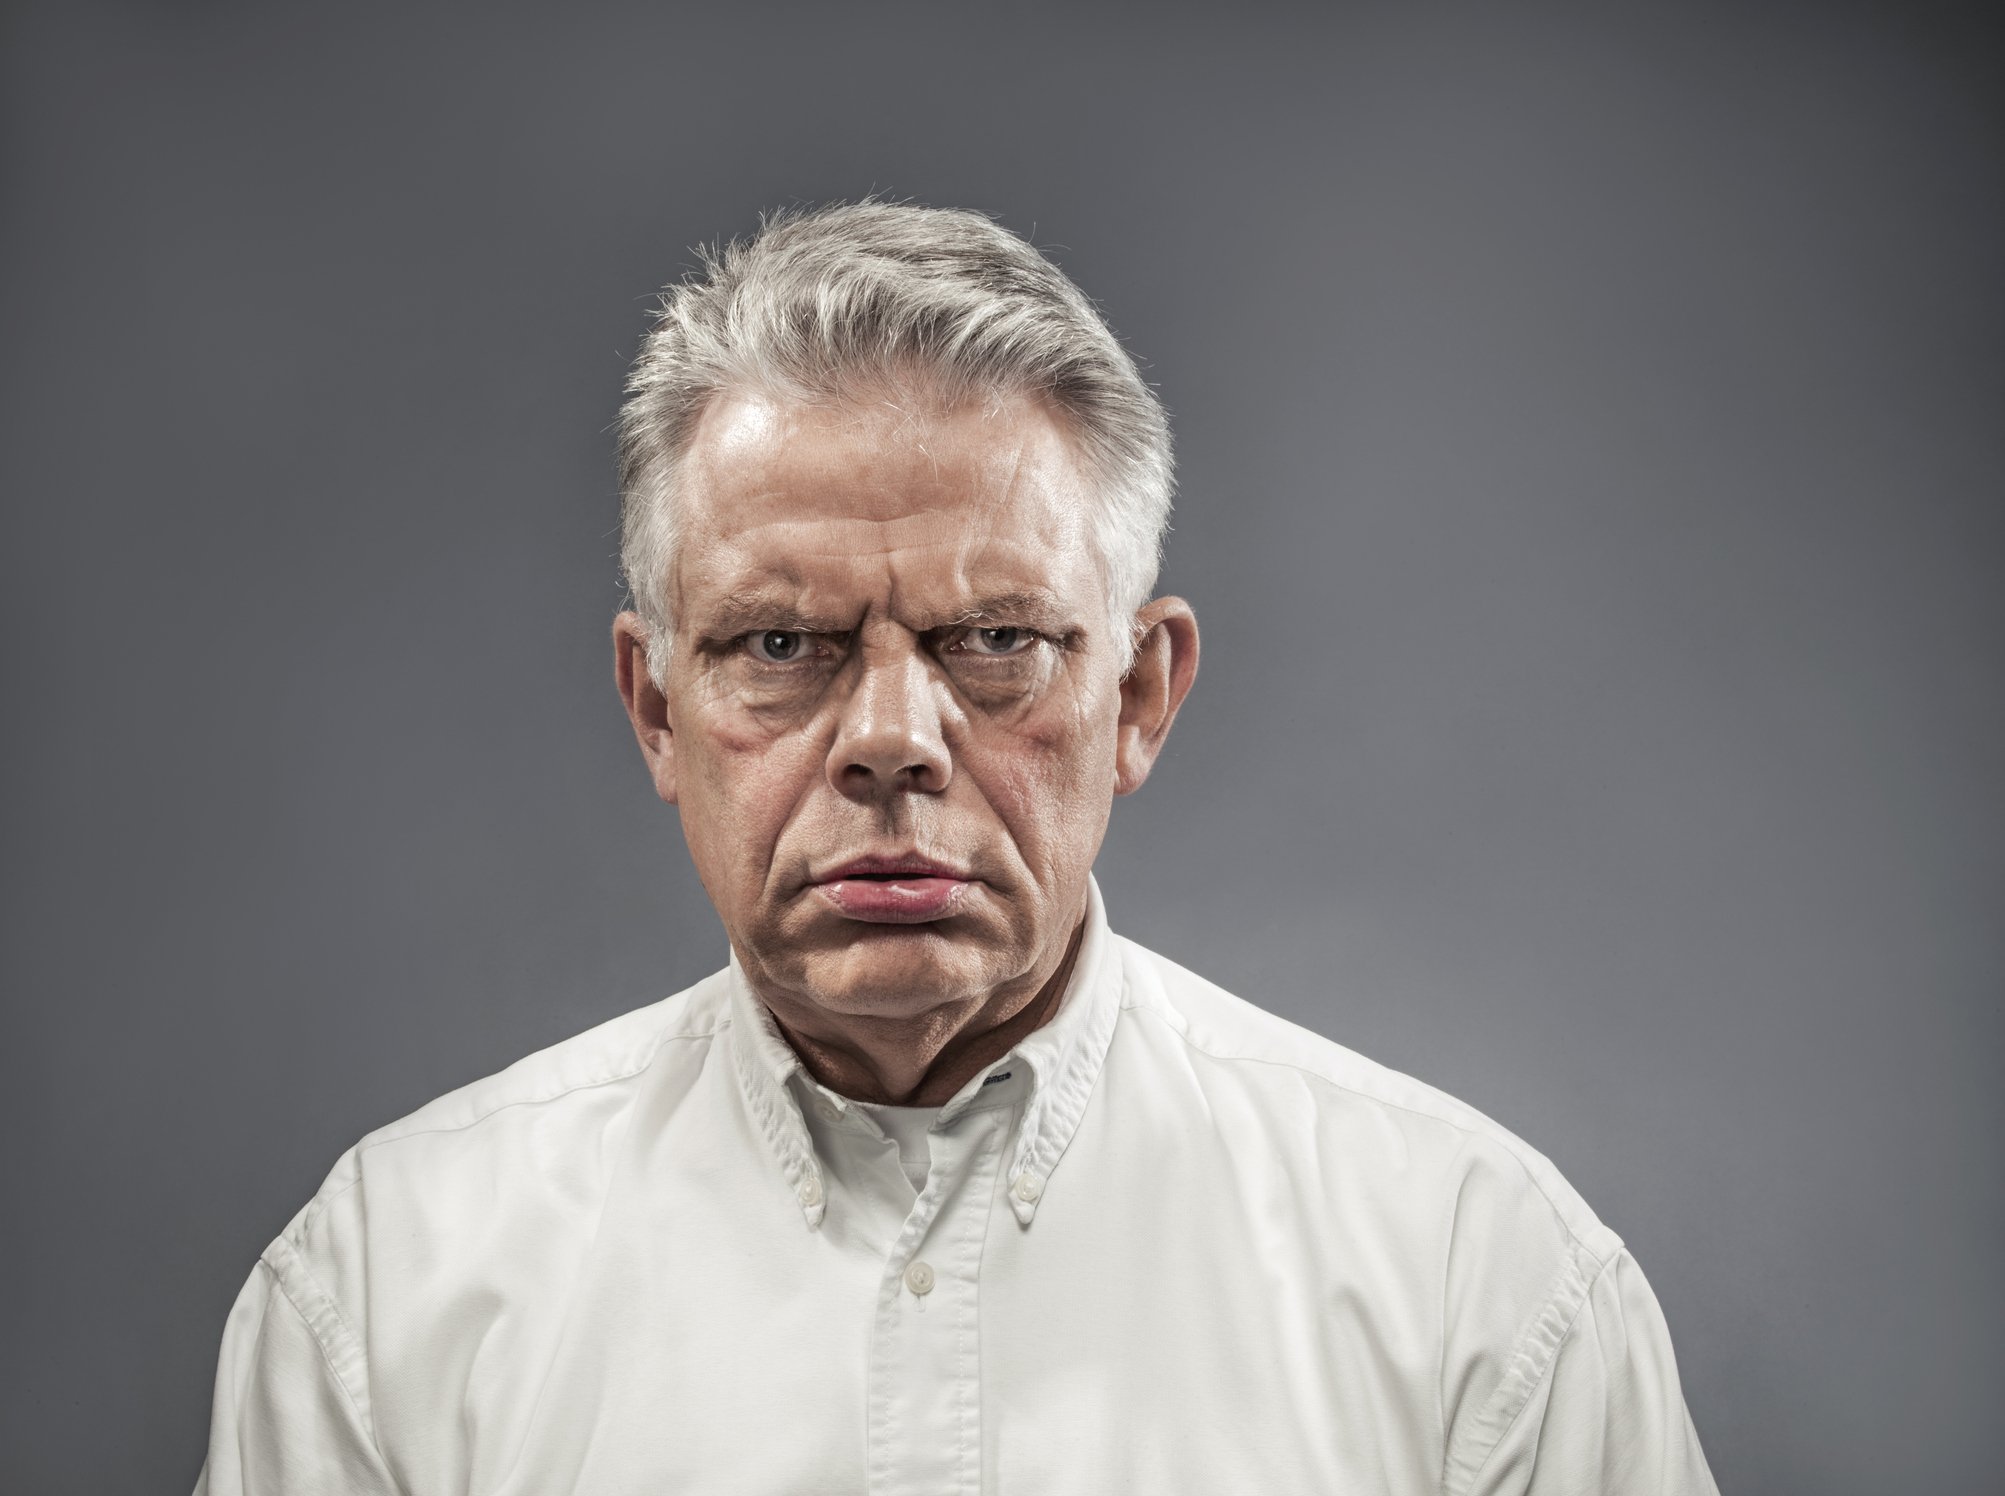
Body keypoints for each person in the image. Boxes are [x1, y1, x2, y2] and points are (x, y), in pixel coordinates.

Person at [195, 200, 1718, 1495]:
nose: (891, 738)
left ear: (1137, 694)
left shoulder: (1480, 1291)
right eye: (779, 642)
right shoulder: (386, 1296)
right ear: (657, 709)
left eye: (996, 638)